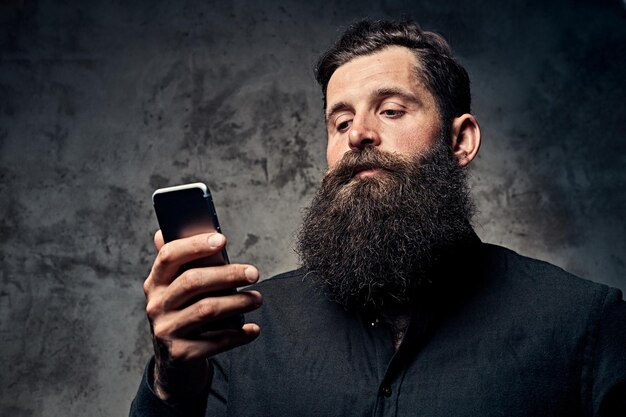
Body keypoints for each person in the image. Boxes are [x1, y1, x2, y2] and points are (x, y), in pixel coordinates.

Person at [130, 19, 626, 416]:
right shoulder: (244, 333)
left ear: (460, 141)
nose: (358, 134)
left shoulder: (582, 324)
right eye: (340, 121)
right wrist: (171, 389)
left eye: (390, 111)